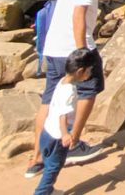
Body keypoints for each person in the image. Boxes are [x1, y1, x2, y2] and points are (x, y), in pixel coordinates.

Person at [25, 0, 122, 179]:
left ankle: (36, 157)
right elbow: (79, 15)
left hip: (55, 46)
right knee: (89, 91)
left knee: (49, 100)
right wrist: (82, 53)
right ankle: (73, 144)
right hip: (74, 46)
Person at [34, 47, 96, 195]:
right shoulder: (69, 91)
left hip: (46, 132)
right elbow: (63, 115)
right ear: (80, 71)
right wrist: (65, 134)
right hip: (56, 137)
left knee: (49, 164)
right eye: (89, 71)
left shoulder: (62, 81)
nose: (90, 74)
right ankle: (41, 192)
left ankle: (49, 190)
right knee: (53, 167)